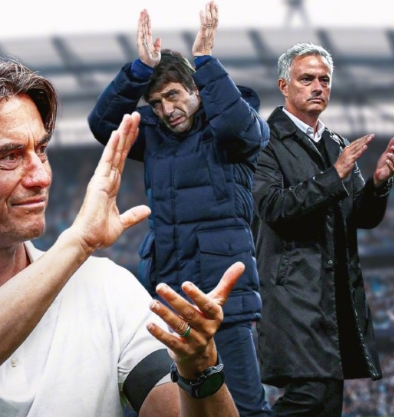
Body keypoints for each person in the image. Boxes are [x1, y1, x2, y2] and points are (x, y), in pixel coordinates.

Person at [0, 55, 243, 417]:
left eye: (41, 150)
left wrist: (200, 369)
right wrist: (78, 242)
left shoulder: (108, 289)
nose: (41, 176)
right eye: (10, 156)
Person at [88, 2, 273, 416]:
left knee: (245, 406)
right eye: (155, 102)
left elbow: (238, 126)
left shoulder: (233, 129)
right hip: (168, 291)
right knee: (183, 408)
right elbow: (102, 125)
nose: (166, 110)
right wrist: (139, 69)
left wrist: (204, 59)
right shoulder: (153, 134)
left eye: (173, 95)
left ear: (197, 90)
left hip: (221, 300)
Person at [252, 41, 394, 416]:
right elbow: (272, 207)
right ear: (284, 86)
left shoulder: (336, 143)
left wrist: (378, 183)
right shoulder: (263, 141)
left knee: (326, 401)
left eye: (324, 80)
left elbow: (360, 217)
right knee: (310, 395)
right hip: (292, 294)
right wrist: (335, 175)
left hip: (333, 296)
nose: (318, 87)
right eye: (306, 79)